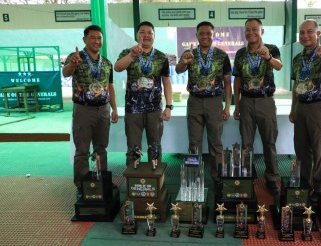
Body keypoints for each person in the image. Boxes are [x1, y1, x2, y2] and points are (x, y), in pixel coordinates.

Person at [62, 25, 118, 199]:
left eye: (99, 38)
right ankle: (82, 185)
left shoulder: (107, 63)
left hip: (103, 110)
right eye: (93, 37)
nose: (97, 41)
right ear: (84, 39)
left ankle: (102, 180)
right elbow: (65, 73)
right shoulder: (75, 58)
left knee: (101, 148)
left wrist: (114, 108)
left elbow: (110, 87)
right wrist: (72, 64)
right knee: (82, 150)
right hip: (83, 110)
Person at [175, 21, 231, 191]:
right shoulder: (189, 53)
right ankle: (194, 178)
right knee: (194, 143)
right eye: (202, 33)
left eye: (209, 33)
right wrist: (184, 62)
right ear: (196, 35)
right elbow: (178, 70)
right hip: (195, 102)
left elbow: (227, 83)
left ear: (213, 35)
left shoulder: (222, 56)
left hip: (215, 102)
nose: (205, 36)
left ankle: (217, 178)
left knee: (216, 143)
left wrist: (227, 106)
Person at [289, 19, 321, 205]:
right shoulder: (297, 59)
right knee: (301, 148)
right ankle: (305, 183)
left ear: (318, 34)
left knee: (319, 148)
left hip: (320, 107)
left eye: (310, 32)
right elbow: (296, 85)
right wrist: (294, 108)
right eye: (302, 32)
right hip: (302, 106)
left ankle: (320, 189)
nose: (305, 35)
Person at [233, 18, 283, 194]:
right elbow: (237, 80)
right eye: (248, 29)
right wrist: (237, 105)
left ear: (262, 31)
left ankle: (271, 177)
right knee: (246, 142)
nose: (251, 32)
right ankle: (248, 175)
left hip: (265, 100)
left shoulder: (272, 48)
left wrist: (268, 57)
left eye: (255, 29)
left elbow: (279, 66)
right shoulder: (240, 54)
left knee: (269, 141)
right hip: (246, 101)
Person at [114, 21, 172, 167]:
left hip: (155, 108)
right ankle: (134, 179)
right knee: (133, 145)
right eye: (142, 32)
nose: (146, 35)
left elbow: (166, 81)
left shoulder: (161, 57)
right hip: (133, 108)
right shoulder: (127, 52)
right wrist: (132, 56)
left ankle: (156, 179)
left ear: (154, 36)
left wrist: (169, 106)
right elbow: (117, 67)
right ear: (137, 35)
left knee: (155, 145)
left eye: (149, 33)